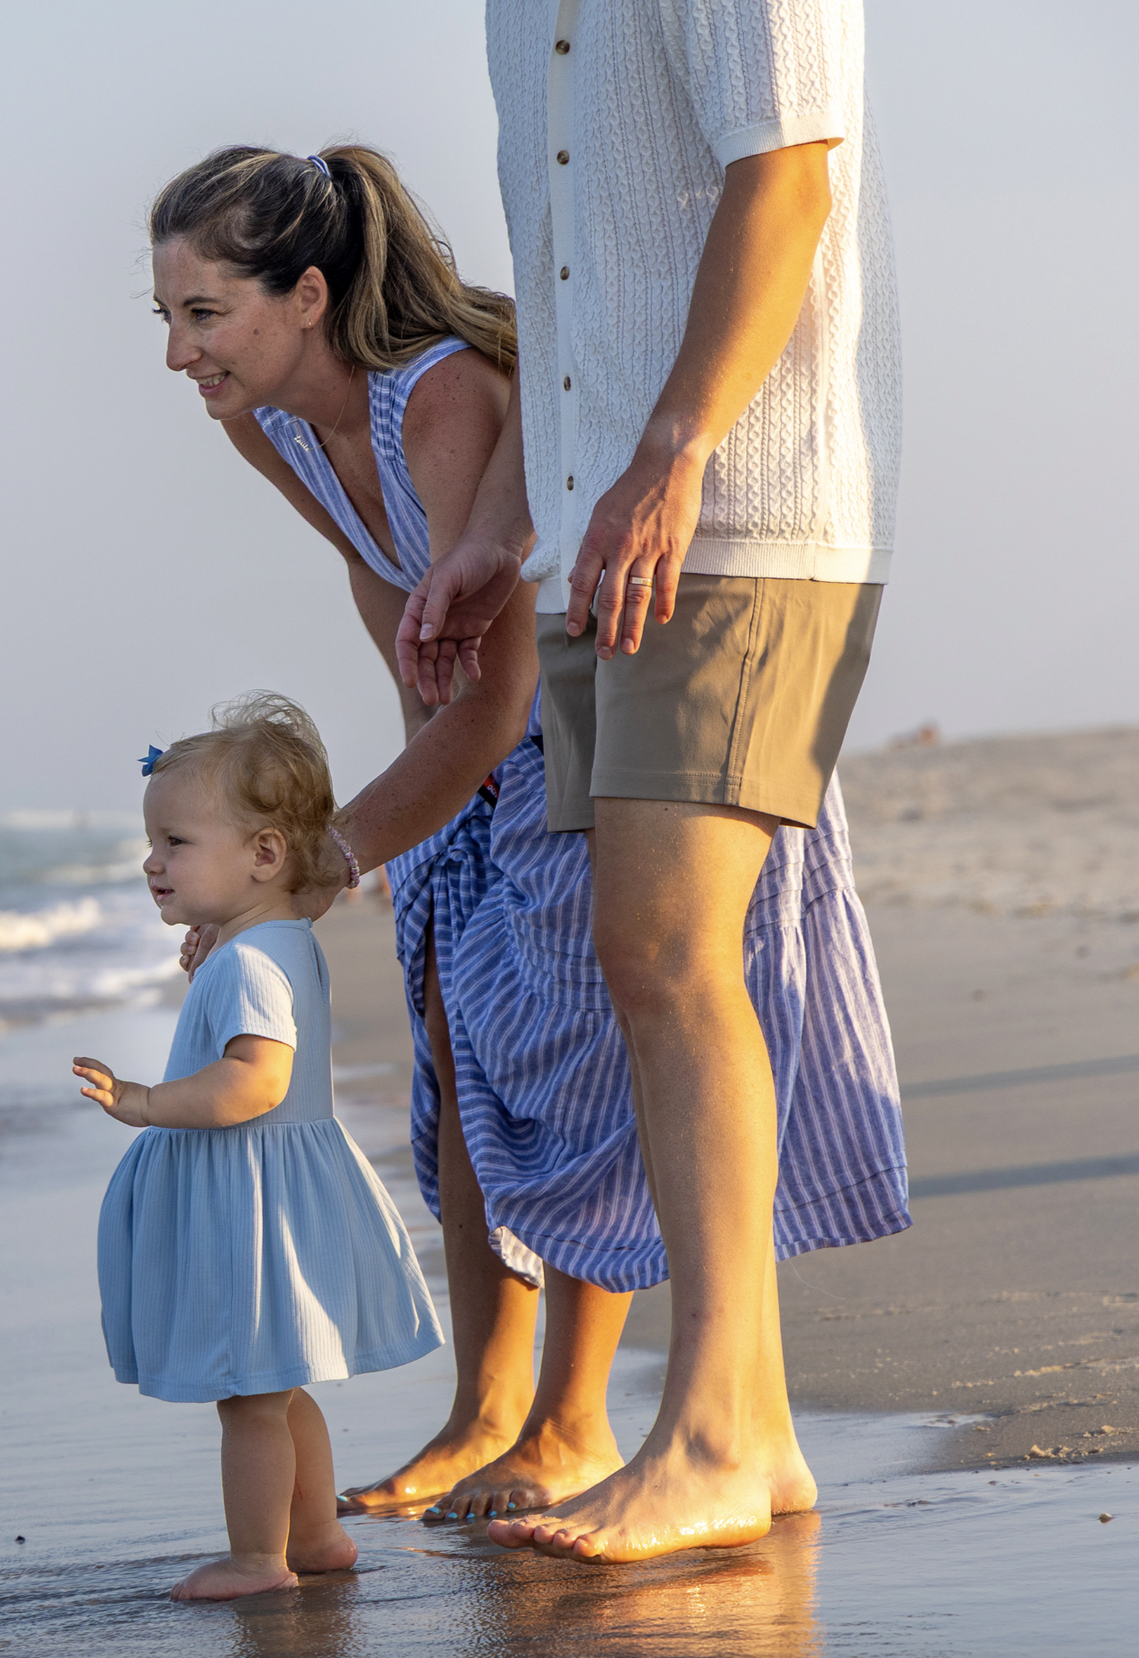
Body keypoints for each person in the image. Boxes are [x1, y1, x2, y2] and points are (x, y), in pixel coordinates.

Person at [147, 143, 908, 1528]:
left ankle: (568, 1419)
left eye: (205, 315)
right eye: (168, 320)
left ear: (307, 295)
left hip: (582, 708)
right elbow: (409, 631)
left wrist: (322, 863)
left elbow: (501, 693)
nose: (180, 353)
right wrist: (397, 837)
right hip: (470, 744)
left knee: (569, 1043)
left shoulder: (434, 398)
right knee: (453, 1036)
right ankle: (485, 1413)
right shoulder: (269, 427)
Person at [399, 1, 906, 1562]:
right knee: (643, 965)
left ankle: (714, 1435)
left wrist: (674, 450)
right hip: (591, 530)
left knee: (671, 952)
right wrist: (500, 523)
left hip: (733, 508)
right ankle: (751, 1421)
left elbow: (792, 177)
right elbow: (562, 279)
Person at [73, 695, 443, 1602]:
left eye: (176, 843)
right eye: (153, 843)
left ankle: (257, 1560)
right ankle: (316, 1537)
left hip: (252, 1204)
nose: (151, 862)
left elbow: (254, 1083)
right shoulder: (273, 940)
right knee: (279, 1384)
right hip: (273, 1191)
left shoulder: (249, 962)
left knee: (247, 1396)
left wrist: (145, 1100)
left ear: (265, 855)